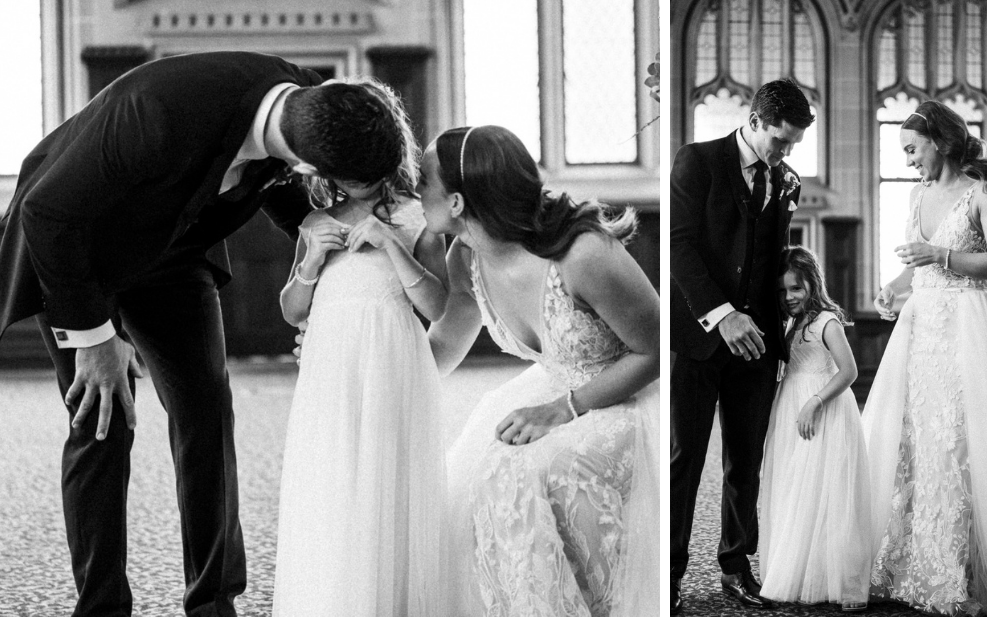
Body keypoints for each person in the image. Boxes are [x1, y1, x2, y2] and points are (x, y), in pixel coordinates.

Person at [0, 51, 413, 617]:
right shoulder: (157, 112)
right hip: (78, 255)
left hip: (175, 255)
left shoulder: (318, 103)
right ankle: (101, 608)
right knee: (102, 424)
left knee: (206, 416)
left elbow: (284, 188)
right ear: (314, 168)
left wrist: (318, 234)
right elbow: (47, 213)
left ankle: (214, 603)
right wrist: (94, 339)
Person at [418, 125, 660, 616]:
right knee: (474, 474)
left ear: (459, 202)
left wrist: (563, 409)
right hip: (551, 384)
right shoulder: (465, 256)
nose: (414, 191)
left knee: (521, 468)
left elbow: (654, 352)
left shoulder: (583, 253)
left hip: (622, 394)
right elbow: (443, 345)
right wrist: (367, 356)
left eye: (423, 181)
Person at [270, 82, 448, 616]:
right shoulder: (314, 221)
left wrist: (393, 246)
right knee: (334, 473)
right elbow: (293, 310)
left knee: (385, 474)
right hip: (330, 365)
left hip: (390, 357)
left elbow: (437, 304)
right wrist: (308, 265)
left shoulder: (418, 219)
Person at [670, 77, 813, 611]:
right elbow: (679, 247)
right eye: (781, 140)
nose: (786, 152)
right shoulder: (697, 161)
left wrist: (799, 314)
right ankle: (671, 575)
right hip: (699, 338)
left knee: (745, 459)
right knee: (684, 457)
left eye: (794, 144)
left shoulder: (786, 179)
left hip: (759, 344)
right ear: (754, 122)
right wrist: (722, 315)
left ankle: (736, 566)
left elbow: (772, 258)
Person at [863, 100, 987, 616]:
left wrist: (940, 257)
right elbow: (915, 257)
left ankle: (959, 570)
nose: (908, 161)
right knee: (916, 439)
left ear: (940, 141)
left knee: (961, 441)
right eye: (902, 152)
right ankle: (912, 564)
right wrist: (892, 286)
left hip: (968, 327)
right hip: (921, 331)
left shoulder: (984, 193)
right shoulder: (918, 195)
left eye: (912, 149)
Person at [757, 246, 871, 611]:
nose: (788, 297)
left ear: (812, 284)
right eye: (782, 291)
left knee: (826, 491)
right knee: (795, 488)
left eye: (796, 289)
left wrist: (815, 402)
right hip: (791, 405)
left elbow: (849, 371)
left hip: (823, 409)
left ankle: (838, 577)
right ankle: (802, 568)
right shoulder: (791, 322)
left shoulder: (826, 321)